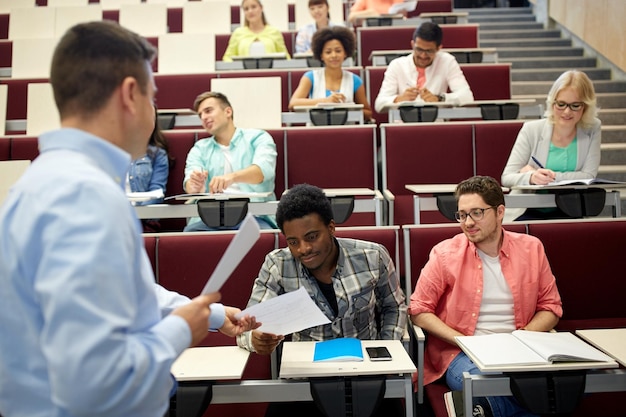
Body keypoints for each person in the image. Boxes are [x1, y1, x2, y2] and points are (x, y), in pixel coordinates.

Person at [0, 21, 259, 417]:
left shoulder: (55, 180)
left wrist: (210, 315)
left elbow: (120, 295)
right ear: (130, 94)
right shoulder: (83, 195)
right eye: (153, 97)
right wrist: (178, 332)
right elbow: (93, 380)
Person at [237, 183, 407, 416]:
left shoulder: (372, 256)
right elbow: (247, 324)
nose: (303, 249)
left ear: (331, 228)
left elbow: (394, 306)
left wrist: (387, 350)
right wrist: (254, 339)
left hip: (366, 372)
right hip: (305, 378)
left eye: (312, 237)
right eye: (293, 242)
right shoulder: (277, 264)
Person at [409, 175, 563, 417]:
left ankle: (482, 409)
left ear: (500, 212)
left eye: (477, 213)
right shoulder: (445, 253)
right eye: (462, 214)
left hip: (522, 348)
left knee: (576, 381)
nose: (468, 222)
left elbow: (551, 307)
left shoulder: (532, 248)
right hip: (462, 353)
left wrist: (521, 338)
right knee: (495, 385)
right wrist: (464, 341)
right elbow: (419, 310)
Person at [501, 70, 601, 221]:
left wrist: (548, 177)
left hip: (571, 209)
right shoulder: (532, 129)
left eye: (575, 105)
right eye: (561, 104)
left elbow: (588, 175)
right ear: (552, 103)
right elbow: (507, 177)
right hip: (527, 210)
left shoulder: (592, 128)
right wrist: (531, 177)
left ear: (585, 106)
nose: (567, 111)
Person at [183, 91, 277, 231]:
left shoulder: (258, 137)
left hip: (253, 216)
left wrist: (231, 177)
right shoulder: (199, 148)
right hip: (209, 219)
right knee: (188, 236)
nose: (204, 117)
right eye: (200, 114)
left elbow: (263, 172)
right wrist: (195, 185)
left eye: (208, 111)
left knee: (263, 235)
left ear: (228, 111)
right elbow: (190, 184)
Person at [374, 21, 474, 113]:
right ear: (412, 45)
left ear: (439, 48)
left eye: (429, 51)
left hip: (436, 125)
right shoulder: (397, 65)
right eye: (419, 50)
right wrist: (399, 99)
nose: (423, 56)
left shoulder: (447, 61)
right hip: (402, 125)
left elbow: (467, 97)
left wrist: (439, 99)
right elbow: (379, 104)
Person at [289, 26, 373, 122]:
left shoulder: (355, 80)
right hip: (316, 131)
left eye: (338, 51)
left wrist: (350, 107)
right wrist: (325, 101)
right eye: (328, 52)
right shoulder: (310, 77)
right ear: (321, 55)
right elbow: (293, 104)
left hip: (347, 131)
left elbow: (368, 112)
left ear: (345, 53)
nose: (334, 55)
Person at [128, 107, 172, 232]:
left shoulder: (158, 154)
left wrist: (136, 216)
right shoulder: (111, 150)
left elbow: (157, 192)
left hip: (143, 221)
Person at [223, 0, 291, 62]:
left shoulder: (274, 32)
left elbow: (285, 57)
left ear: (261, 8)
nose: (250, 11)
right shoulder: (238, 33)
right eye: (246, 9)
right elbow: (227, 58)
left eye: (254, 7)